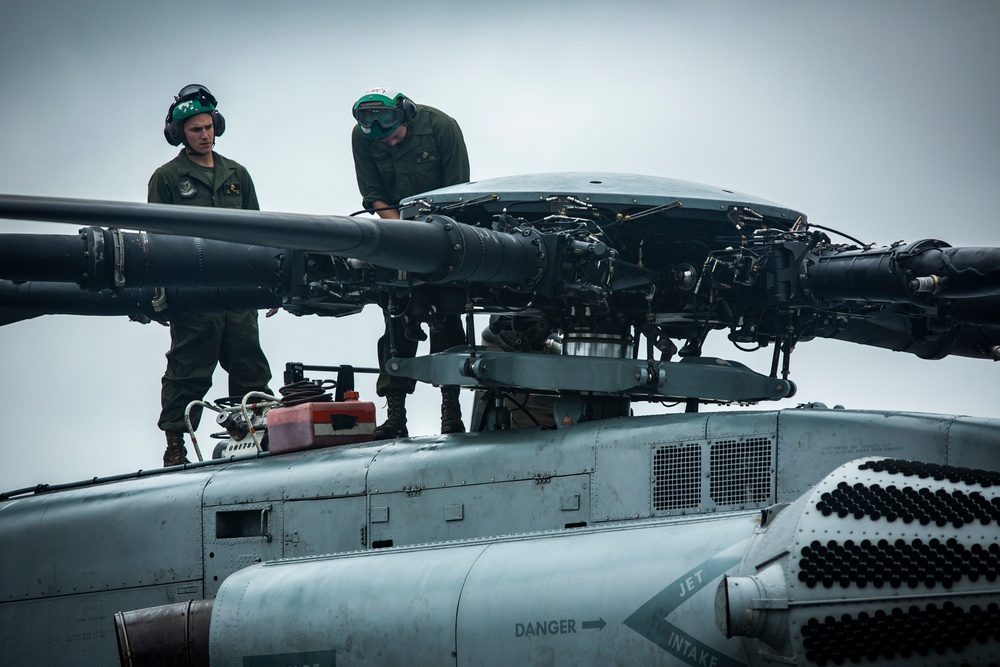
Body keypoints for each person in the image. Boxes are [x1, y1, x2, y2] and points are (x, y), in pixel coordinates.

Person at [148, 84, 273, 466]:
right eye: (195, 130)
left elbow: (259, 234)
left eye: (208, 127)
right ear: (180, 134)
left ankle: (253, 436)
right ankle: (176, 447)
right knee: (188, 369)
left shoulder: (237, 174)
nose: (205, 135)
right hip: (193, 293)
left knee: (250, 363)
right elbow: (157, 241)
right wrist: (161, 292)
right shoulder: (167, 178)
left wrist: (268, 286)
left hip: (238, 290)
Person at [351, 87, 470, 440]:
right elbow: (373, 195)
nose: (389, 144)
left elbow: (458, 194)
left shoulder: (441, 128)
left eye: (395, 136)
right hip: (397, 237)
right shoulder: (362, 136)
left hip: (444, 238)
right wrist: (402, 232)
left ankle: (452, 412)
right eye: (381, 142)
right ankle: (396, 415)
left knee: (447, 321)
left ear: (406, 114)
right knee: (396, 319)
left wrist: (429, 238)